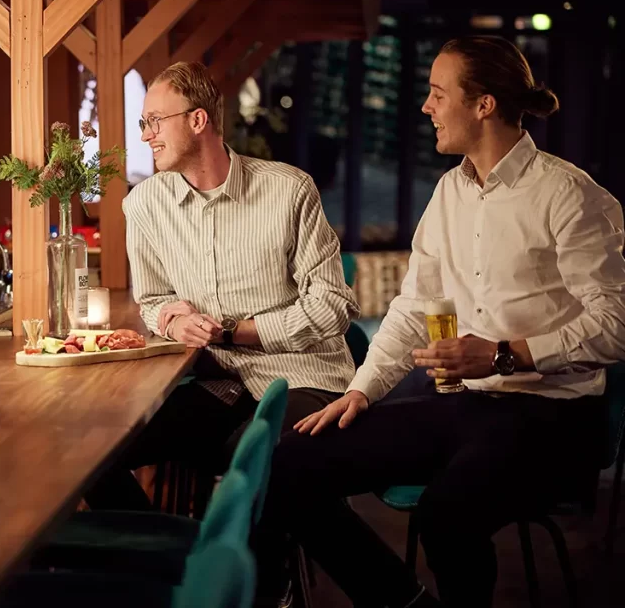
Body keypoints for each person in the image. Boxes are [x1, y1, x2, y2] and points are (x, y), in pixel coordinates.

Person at [253, 36, 625, 608]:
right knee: (288, 467)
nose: (425, 106)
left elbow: (615, 325)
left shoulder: (571, 196)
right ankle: (405, 602)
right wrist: (361, 391)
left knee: (445, 512)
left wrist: (503, 353)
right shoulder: (450, 190)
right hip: (473, 407)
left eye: (437, 93)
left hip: (559, 418)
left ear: (484, 105)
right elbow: (412, 306)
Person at [84, 61, 359, 512]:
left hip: (305, 379)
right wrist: (174, 323)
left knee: (260, 467)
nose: (145, 135)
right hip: (223, 384)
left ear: (198, 120)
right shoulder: (144, 206)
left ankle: (260, 579)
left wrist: (233, 331)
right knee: (95, 454)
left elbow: (332, 307)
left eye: (155, 121)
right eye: (143, 122)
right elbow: (152, 301)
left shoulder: (288, 191)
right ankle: (169, 566)